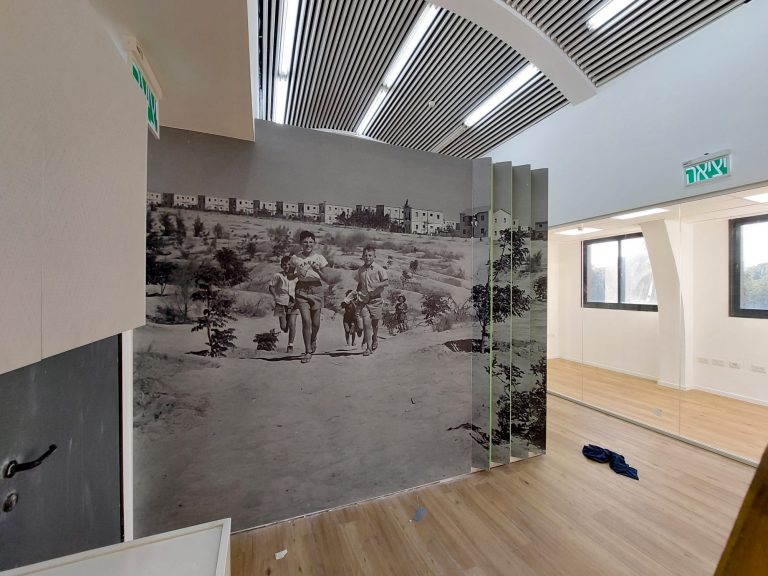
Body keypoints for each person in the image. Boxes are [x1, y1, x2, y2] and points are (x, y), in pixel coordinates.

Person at [291, 231, 329, 363]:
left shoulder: (320, 258)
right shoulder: (295, 258)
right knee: (306, 321)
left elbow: (327, 278)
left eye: (311, 242)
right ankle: (307, 351)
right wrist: (296, 274)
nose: (308, 244)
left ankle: (313, 338)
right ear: (300, 243)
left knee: (316, 324)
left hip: (316, 290)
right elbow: (289, 275)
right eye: (305, 242)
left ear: (314, 243)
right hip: (301, 290)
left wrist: (317, 270)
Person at [355, 245, 388, 356]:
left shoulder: (379, 269)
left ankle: (375, 337)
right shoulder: (361, 270)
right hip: (364, 300)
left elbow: (386, 282)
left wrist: (377, 285)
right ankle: (368, 348)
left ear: (374, 256)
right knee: (366, 324)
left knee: (375, 324)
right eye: (365, 255)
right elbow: (360, 283)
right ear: (362, 256)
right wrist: (356, 294)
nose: (367, 257)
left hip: (376, 300)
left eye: (370, 255)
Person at [268, 255, 298, 352]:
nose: (287, 266)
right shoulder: (278, 275)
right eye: (284, 265)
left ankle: (290, 345)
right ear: (281, 266)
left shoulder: (297, 276)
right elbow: (271, 286)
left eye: (289, 264)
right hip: (281, 302)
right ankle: (286, 326)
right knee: (284, 327)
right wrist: (275, 296)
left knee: (292, 324)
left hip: (293, 302)